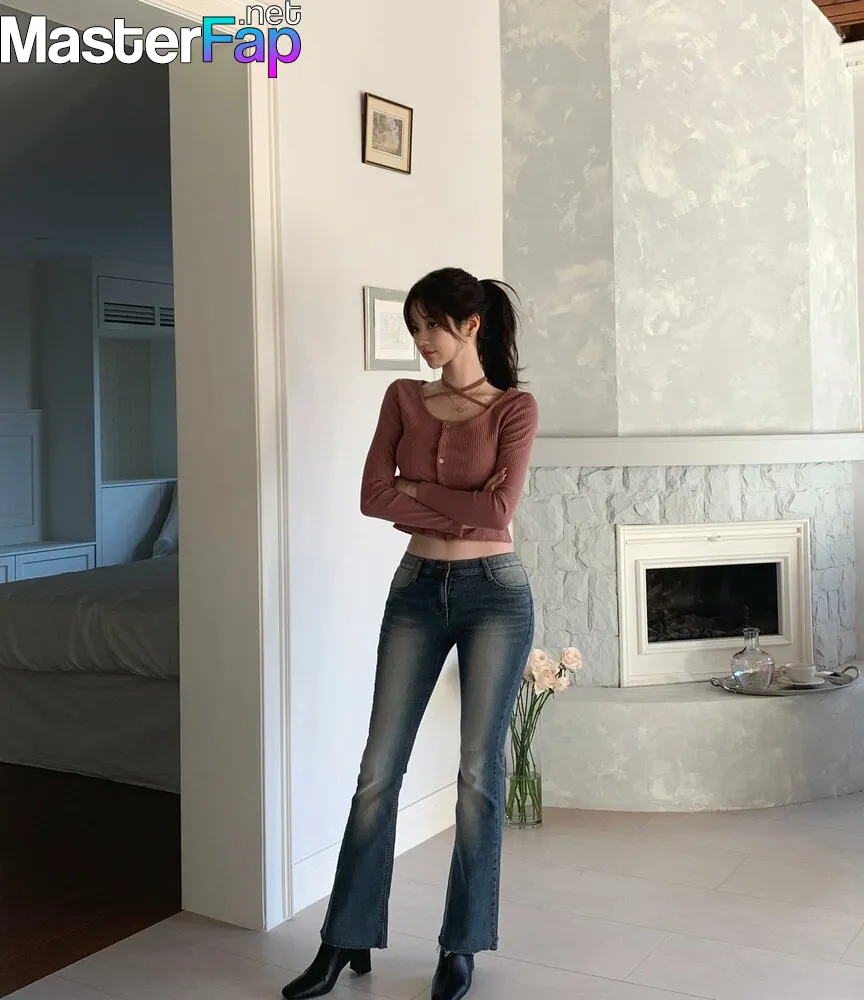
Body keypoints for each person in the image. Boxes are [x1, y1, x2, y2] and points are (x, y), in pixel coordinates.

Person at [281, 267, 539, 1000]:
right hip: (416, 591)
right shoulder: (402, 398)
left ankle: (461, 947)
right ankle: (344, 938)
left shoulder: (514, 408)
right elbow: (372, 496)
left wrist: (417, 490)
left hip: (496, 596)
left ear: (470, 325)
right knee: (377, 771)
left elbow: (499, 515)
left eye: (431, 325)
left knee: (479, 777)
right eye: (413, 328)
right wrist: (457, 500)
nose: (422, 340)